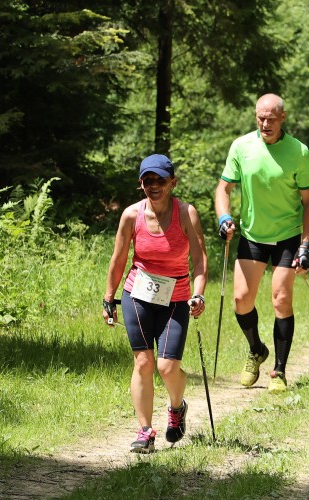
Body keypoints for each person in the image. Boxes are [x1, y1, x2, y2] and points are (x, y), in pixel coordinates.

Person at [102, 154, 207, 453]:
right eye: (148, 180)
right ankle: (145, 431)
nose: (154, 185)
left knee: (167, 366)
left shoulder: (186, 214)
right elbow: (118, 259)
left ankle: (177, 407)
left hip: (175, 298)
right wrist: (109, 297)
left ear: (172, 182)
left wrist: (198, 294)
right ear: (141, 184)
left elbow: (199, 261)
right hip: (138, 294)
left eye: (160, 180)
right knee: (144, 362)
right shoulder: (131, 216)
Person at [215, 93, 309, 394]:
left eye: (271, 118)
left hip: (287, 236)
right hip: (252, 234)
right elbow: (224, 188)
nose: (265, 123)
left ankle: (279, 371)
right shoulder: (241, 146)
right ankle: (257, 349)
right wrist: (223, 217)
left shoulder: (298, 151)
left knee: (281, 300)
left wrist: (306, 245)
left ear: (282, 117)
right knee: (241, 301)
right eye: (261, 117)